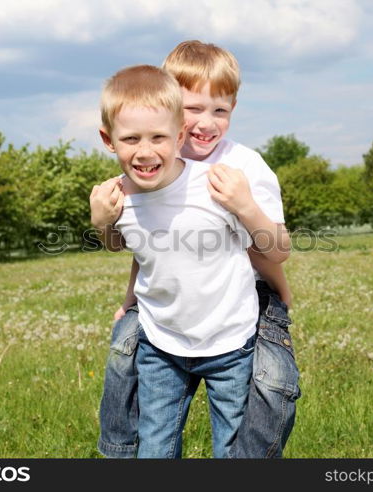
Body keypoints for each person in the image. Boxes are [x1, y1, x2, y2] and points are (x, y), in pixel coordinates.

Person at [96, 41, 301, 459]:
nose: (204, 123)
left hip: (241, 305)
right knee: (126, 358)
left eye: (219, 110)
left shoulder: (237, 169)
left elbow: (271, 250)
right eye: (192, 109)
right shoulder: (149, 165)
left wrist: (245, 208)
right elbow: (147, 241)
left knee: (266, 400)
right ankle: (119, 447)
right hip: (168, 324)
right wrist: (128, 296)